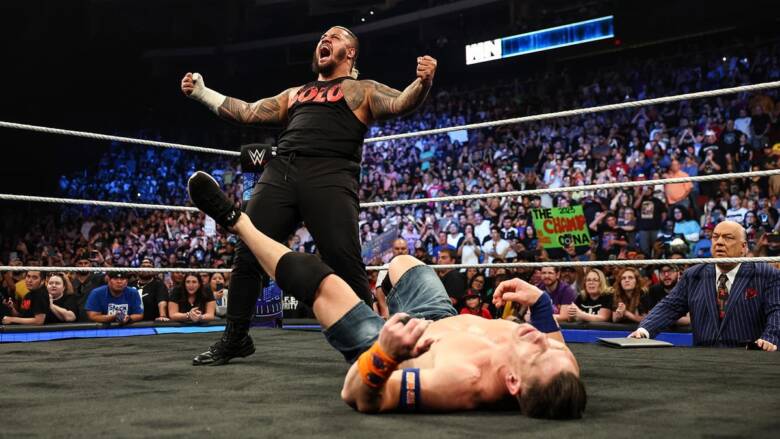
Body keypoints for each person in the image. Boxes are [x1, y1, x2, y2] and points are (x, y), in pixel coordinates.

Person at [186, 171, 585, 417]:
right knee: (404, 263)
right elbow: (555, 347)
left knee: (318, 278)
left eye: (540, 353)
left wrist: (386, 352)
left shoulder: (460, 381)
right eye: (558, 352)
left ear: (513, 383)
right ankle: (377, 301)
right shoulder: (559, 368)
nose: (545, 342)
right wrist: (541, 303)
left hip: (397, 343)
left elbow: (359, 394)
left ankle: (238, 223)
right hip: (440, 316)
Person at [181, 26, 438, 366]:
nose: (325, 39)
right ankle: (236, 337)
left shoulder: (362, 89)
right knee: (249, 250)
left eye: (335, 36)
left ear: (351, 52)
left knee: (345, 261)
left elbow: (401, 102)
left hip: (332, 174)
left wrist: (423, 82)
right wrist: (203, 93)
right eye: (322, 38)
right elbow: (247, 111)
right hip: (281, 171)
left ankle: (369, 343)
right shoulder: (296, 94)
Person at [630, 221, 779, 351]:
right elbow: (670, 306)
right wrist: (644, 330)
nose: (719, 242)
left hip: (748, 357)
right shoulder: (693, 275)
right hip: (704, 358)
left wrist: (769, 339)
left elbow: (777, 311)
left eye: (728, 237)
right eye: (715, 237)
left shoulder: (765, 274)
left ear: (743, 247)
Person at [132, 257, 170, 322]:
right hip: (132, 322)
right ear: (138, 269)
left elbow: (162, 301)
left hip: (151, 323)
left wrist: (162, 316)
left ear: (153, 270)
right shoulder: (131, 285)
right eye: (143, 266)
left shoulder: (159, 285)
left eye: (149, 266)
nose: (146, 269)